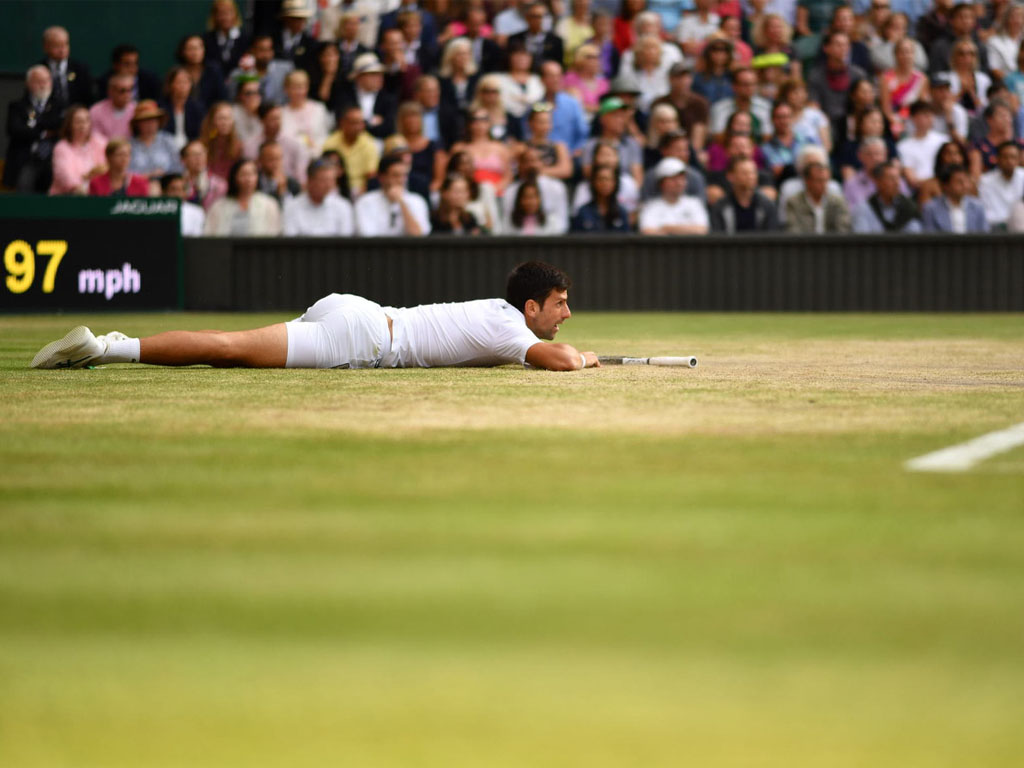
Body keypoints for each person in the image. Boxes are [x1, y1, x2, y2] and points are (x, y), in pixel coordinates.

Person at [30, 261, 601, 373]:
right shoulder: (508, 328)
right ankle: (108, 348)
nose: (567, 313)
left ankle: (109, 348)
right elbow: (559, 361)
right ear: (532, 307)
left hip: (353, 311)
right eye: (560, 304)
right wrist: (584, 359)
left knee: (231, 347)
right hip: (361, 336)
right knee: (225, 349)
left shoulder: (497, 316)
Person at [4, 65, 62, 193]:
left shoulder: (60, 106)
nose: (43, 85)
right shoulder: (17, 106)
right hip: (26, 158)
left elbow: (59, 126)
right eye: (38, 81)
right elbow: (14, 130)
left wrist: (35, 125)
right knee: (24, 183)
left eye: (46, 81)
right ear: (28, 83)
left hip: (53, 159)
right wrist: (43, 132)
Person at [354, 155, 431, 236]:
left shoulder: (417, 201)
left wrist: (402, 203)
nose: (401, 180)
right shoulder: (365, 202)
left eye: (404, 175)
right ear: (382, 177)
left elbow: (419, 235)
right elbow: (366, 236)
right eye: (395, 175)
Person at [203, 158, 282, 236]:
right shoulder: (219, 206)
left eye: (252, 174)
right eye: (243, 174)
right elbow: (209, 234)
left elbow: (274, 234)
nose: (248, 179)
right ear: (234, 177)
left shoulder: (269, 204)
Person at [448, 107, 513, 197]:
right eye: (475, 120)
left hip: (496, 194)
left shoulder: (501, 148)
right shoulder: (459, 148)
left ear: (490, 123)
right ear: (469, 123)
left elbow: (508, 176)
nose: (479, 124)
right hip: (468, 193)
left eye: (484, 120)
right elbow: (452, 173)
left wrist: (494, 190)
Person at [650, 62, 710, 158]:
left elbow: (698, 136)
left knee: (702, 157)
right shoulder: (659, 103)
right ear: (670, 79)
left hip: (689, 150)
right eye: (679, 77)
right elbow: (653, 134)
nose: (684, 81)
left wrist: (689, 153)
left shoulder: (700, 104)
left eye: (687, 77)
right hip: (661, 150)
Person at [807, 32, 868, 126]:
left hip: (853, 123)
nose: (843, 48)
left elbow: (866, 103)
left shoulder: (858, 74)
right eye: (838, 45)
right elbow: (813, 106)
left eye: (846, 45)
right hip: (826, 122)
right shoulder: (816, 75)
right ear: (826, 48)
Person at [282, 159, 355, 236]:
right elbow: (289, 241)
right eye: (324, 180)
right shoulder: (292, 207)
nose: (328, 185)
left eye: (332, 180)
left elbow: (345, 242)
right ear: (310, 181)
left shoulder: (343, 206)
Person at [638, 157, 710, 235]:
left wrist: (666, 229)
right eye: (673, 179)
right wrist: (687, 229)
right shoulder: (650, 206)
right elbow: (647, 231)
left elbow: (702, 230)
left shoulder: (695, 204)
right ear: (661, 182)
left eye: (682, 179)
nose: (679, 183)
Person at [49, 105, 108, 195]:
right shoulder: (61, 147)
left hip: (97, 194)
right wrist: (84, 185)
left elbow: (107, 168)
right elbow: (65, 177)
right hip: (68, 197)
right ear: (69, 125)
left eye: (86, 121)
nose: (83, 125)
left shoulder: (100, 142)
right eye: (78, 122)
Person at [322, 106, 380, 197]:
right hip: (335, 187)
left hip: (358, 189)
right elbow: (324, 170)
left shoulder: (369, 143)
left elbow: (371, 176)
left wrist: (361, 196)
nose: (359, 127)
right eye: (354, 123)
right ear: (343, 123)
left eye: (361, 123)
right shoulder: (330, 142)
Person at [710, 157, 779, 232]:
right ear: (730, 176)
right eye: (744, 173)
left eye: (753, 172)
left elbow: (771, 237)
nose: (750, 177)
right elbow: (718, 237)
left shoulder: (767, 205)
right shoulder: (720, 207)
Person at [536, 61, 590, 155]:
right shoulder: (537, 106)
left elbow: (583, 132)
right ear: (542, 79)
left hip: (571, 155)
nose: (556, 79)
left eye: (559, 75)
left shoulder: (572, 103)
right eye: (551, 76)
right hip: (543, 155)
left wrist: (577, 149)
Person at [879, 37, 930, 136]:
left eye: (909, 52)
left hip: (913, 122)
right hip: (892, 121)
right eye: (902, 52)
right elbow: (886, 107)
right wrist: (896, 123)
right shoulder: (886, 78)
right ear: (896, 55)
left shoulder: (922, 79)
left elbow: (921, 106)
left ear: (914, 54)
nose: (906, 55)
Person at [852, 161, 923, 233]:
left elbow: (915, 237)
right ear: (878, 181)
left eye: (898, 178)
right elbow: (861, 240)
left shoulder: (909, 207)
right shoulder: (864, 209)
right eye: (891, 178)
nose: (896, 183)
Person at [341, 53, 400, 139]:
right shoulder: (346, 97)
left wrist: (360, 124)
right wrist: (370, 123)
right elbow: (345, 125)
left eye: (380, 74)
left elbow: (389, 128)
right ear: (359, 77)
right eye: (373, 74)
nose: (379, 78)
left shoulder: (388, 99)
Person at [784, 160, 852, 233]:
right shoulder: (794, 203)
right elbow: (794, 232)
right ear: (807, 181)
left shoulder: (838, 202)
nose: (823, 184)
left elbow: (843, 231)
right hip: (804, 243)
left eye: (826, 180)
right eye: (819, 181)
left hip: (833, 244)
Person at [896, 101, 949, 195]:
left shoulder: (944, 140)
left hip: (944, 186)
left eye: (931, 115)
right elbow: (911, 179)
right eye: (924, 115)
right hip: (920, 191)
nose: (929, 118)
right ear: (913, 118)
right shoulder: (903, 146)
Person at [709, 67, 773, 142]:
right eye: (745, 84)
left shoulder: (765, 107)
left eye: (753, 84)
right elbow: (716, 136)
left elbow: (768, 136)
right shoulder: (719, 108)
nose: (750, 88)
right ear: (734, 86)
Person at [921, 164, 989, 232]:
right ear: (946, 185)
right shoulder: (931, 208)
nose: (965, 185)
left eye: (967, 181)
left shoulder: (978, 207)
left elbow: (984, 235)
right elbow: (929, 237)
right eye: (959, 182)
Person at [227, 35, 293, 105]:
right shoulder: (238, 74)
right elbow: (232, 100)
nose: (265, 55)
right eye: (261, 50)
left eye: (269, 49)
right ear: (252, 51)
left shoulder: (286, 70)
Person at [445, 151, 501, 233]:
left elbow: (493, 221)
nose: (467, 167)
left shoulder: (485, 188)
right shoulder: (446, 193)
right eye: (462, 163)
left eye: (470, 163)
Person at [40, 25, 94, 107]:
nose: (62, 49)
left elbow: (89, 99)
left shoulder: (80, 69)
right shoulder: (39, 69)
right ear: (46, 47)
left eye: (65, 44)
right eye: (57, 45)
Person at [280, 70, 332, 156]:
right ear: (286, 89)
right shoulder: (281, 113)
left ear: (307, 88)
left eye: (301, 87)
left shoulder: (319, 109)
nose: (298, 92)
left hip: (317, 158)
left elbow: (325, 137)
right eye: (294, 87)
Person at [128, 100, 181, 180]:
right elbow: (126, 172)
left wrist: (165, 175)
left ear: (158, 122)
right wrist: (147, 176)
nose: (150, 124)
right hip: (138, 187)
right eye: (145, 120)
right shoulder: (129, 145)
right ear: (137, 124)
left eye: (153, 120)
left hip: (166, 186)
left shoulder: (168, 140)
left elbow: (178, 167)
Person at [571, 164, 632, 233]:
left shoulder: (621, 212)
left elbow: (627, 240)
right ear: (593, 182)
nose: (604, 183)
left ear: (615, 183)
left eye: (608, 179)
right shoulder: (583, 212)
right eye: (600, 179)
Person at [175, 35, 228, 112]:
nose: (195, 52)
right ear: (183, 52)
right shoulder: (178, 72)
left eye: (199, 48)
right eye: (191, 49)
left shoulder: (213, 70)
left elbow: (222, 98)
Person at [978, 140, 1024, 228]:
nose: (1009, 161)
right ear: (997, 158)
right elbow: (986, 212)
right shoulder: (985, 181)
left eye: (1013, 157)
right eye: (1005, 157)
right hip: (995, 229)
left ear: (1019, 159)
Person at [508, 1, 564, 73]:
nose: (540, 20)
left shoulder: (556, 41)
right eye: (536, 16)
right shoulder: (515, 39)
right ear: (527, 18)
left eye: (544, 16)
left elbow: (558, 66)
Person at [160, 67, 203, 151]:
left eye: (186, 82)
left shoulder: (197, 108)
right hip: (167, 149)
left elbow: (199, 134)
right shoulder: (161, 107)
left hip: (190, 150)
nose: (183, 86)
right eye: (179, 82)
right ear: (171, 85)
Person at [203, 0, 250, 74]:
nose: (225, 17)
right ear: (214, 16)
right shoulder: (206, 39)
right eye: (221, 13)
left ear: (236, 14)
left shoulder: (245, 38)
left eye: (229, 13)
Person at [200, 101, 244, 181]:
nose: (225, 123)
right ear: (212, 120)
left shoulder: (238, 145)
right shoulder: (203, 144)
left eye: (228, 118)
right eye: (220, 118)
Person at [181, 139, 227, 210]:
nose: (199, 158)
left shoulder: (219, 184)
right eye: (194, 155)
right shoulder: (178, 183)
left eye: (202, 153)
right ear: (184, 160)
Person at [89, 74, 136, 142]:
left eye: (130, 90)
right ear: (111, 91)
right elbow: (94, 139)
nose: (127, 94)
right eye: (122, 91)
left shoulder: (137, 110)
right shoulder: (96, 111)